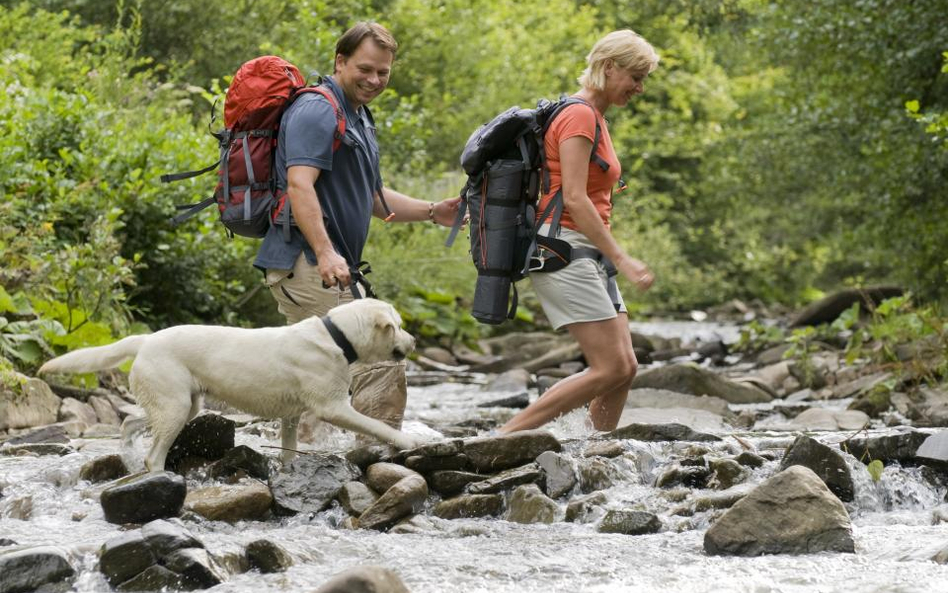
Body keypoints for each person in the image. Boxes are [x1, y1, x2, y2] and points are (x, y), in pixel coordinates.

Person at [254, 22, 461, 438]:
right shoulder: (318, 109)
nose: (374, 80)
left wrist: (433, 210)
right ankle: (381, 457)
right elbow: (300, 184)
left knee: (322, 373)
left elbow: (371, 197)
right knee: (381, 358)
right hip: (308, 262)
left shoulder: (359, 117)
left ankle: (309, 465)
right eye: (365, 69)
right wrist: (328, 253)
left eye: (383, 72)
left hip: (327, 265)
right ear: (340, 61)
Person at [499, 29, 659, 434]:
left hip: (586, 250)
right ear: (608, 67)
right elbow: (573, 197)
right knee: (610, 367)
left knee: (625, 368)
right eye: (635, 76)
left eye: (644, 79)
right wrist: (622, 256)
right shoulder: (579, 115)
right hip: (563, 249)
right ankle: (501, 438)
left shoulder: (595, 116)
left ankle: (594, 452)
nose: (640, 88)